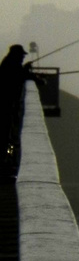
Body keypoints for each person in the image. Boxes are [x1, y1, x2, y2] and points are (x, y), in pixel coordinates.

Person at [0, 45, 31, 180]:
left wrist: (25, 69)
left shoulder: (7, 63)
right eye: (22, 55)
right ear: (17, 55)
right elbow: (18, 76)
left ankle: (4, 162)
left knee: (7, 137)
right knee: (5, 137)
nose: (23, 57)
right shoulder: (11, 65)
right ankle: (3, 166)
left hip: (7, 106)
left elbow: (19, 75)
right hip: (6, 107)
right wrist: (27, 70)